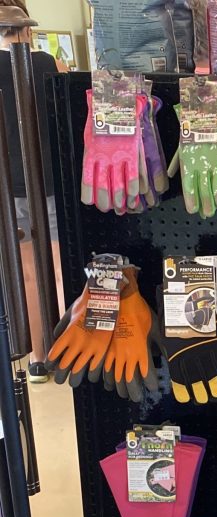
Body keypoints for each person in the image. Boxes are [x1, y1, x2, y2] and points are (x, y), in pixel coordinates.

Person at [0, 0, 66, 382]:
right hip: (50, 183)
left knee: (26, 277)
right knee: (58, 273)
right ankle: (65, 352)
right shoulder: (44, 64)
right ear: (25, 25)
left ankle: (39, 358)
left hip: (10, 189)